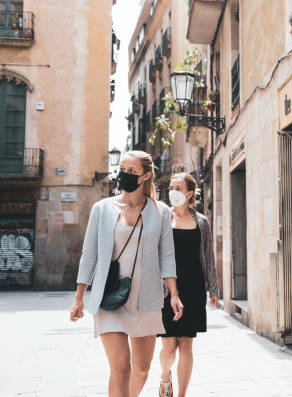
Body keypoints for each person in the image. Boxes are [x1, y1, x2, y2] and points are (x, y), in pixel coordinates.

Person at [69, 150, 183, 397]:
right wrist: (79, 297)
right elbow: (89, 254)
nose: (124, 175)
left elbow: (167, 255)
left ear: (146, 176)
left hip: (147, 299)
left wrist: (173, 293)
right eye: (122, 170)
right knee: (120, 367)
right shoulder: (102, 209)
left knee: (141, 370)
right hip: (109, 298)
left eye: (132, 171)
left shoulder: (161, 212)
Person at [158, 172, 219, 397]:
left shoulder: (201, 221)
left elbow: (208, 255)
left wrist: (214, 287)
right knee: (168, 347)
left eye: (178, 188)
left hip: (193, 287)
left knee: (186, 344)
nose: (173, 191)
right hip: (167, 288)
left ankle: (181, 394)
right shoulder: (163, 219)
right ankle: (165, 376)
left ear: (190, 193)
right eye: (171, 187)